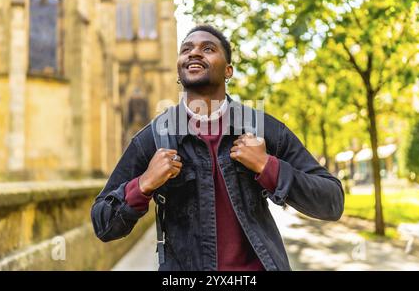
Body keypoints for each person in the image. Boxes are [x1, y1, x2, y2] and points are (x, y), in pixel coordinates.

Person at [91, 25, 344, 271]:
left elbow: (331, 201)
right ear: (179, 71)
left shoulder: (260, 128)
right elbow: (103, 224)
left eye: (208, 48)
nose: (194, 52)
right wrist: (143, 184)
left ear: (228, 70)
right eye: (186, 48)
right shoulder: (155, 137)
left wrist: (269, 167)